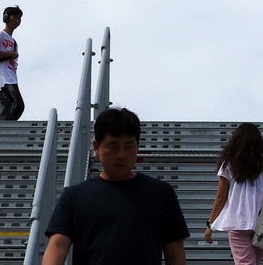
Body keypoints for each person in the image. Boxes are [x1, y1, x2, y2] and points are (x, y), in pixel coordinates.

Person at [43, 107, 189, 265]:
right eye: (113, 147)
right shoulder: (75, 196)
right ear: (96, 147)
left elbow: (174, 251)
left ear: (137, 146)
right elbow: (57, 246)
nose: (121, 155)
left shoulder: (160, 193)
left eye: (128, 146)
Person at [203, 123, 263, 265]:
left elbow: (221, 198)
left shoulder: (228, 165)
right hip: (262, 223)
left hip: (238, 223)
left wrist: (210, 226)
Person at [0, 5, 24, 121]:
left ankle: (0, 134)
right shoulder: (0, 34)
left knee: (6, 108)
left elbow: (14, 64)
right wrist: (9, 54)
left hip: (11, 76)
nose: (17, 21)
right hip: (3, 77)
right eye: (15, 17)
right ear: (6, 18)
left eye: (19, 18)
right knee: (18, 105)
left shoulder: (14, 42)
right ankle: (9, 129)